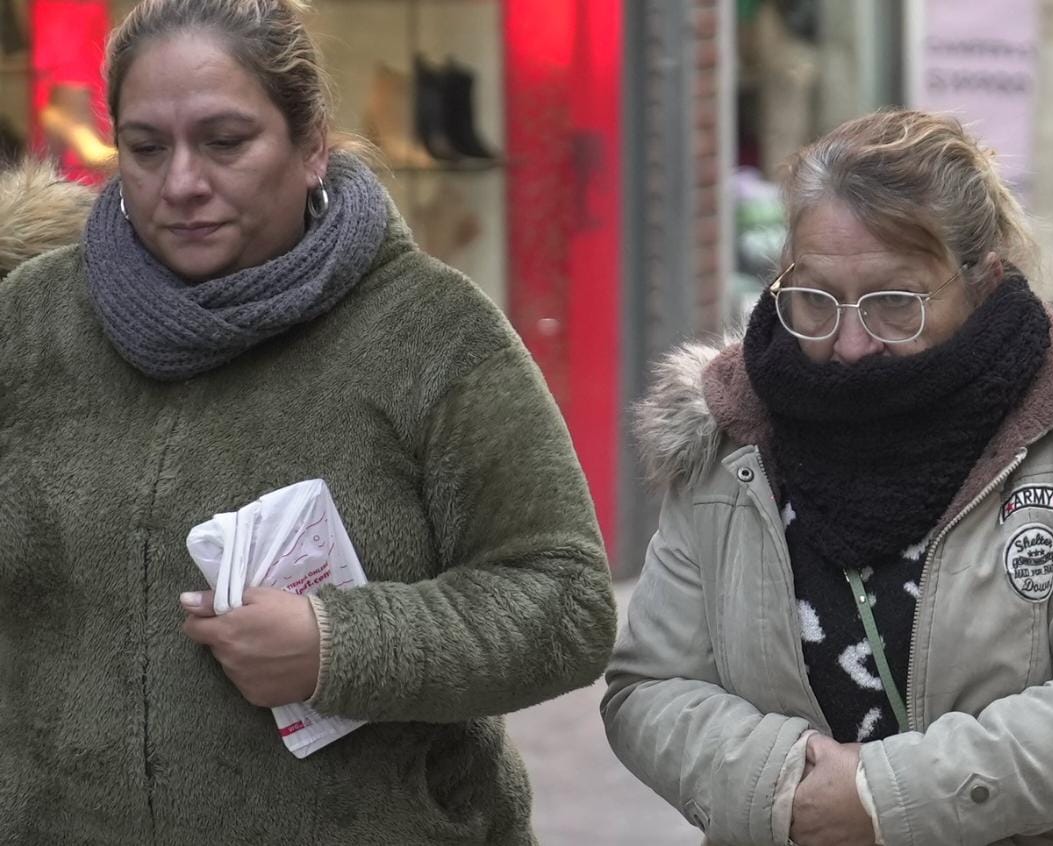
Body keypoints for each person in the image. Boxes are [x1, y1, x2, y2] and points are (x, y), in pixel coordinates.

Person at [0, 0, 616, 842]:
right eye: (146, 148)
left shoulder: (430, 331)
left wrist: (342, 646)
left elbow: (565, 600)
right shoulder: (31, 323)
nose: (181, 181)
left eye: (225, 141)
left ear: (311, 144)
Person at [602, 110, 1053, 846]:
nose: (851, 344)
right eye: (815, 298)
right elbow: (649, 687)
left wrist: (888, 801)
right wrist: (779, 785)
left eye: (896, 303)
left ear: (983, 282)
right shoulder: (731, 432)